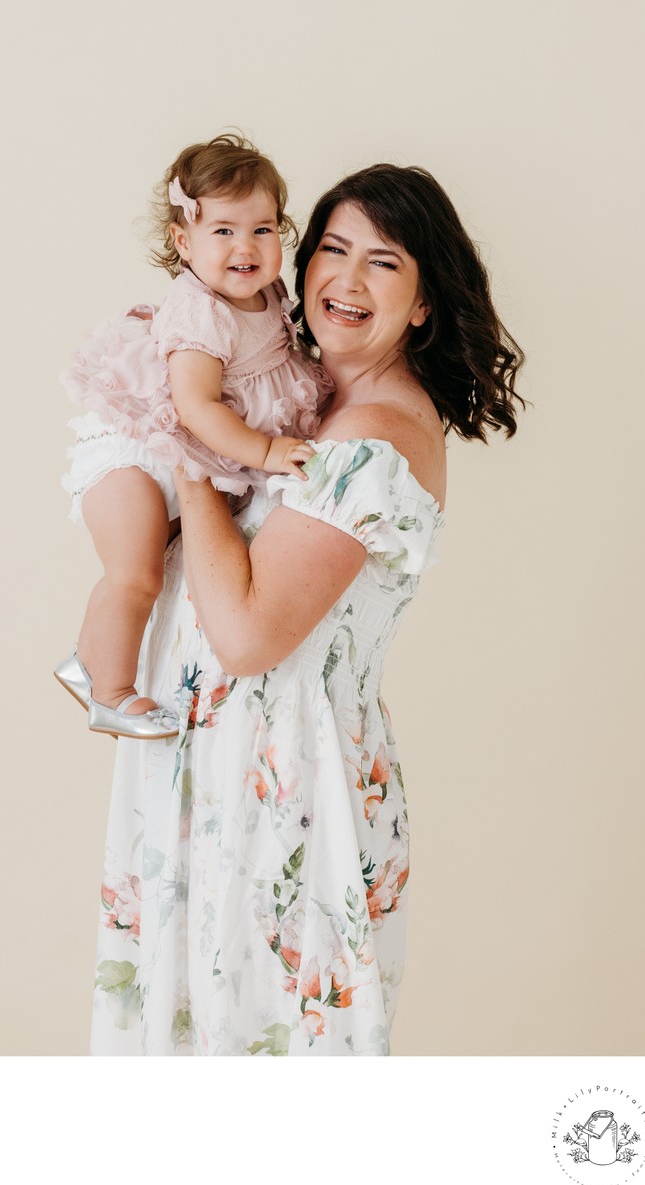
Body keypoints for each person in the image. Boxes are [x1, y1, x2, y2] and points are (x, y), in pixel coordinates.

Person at [89, 163, 525, 1055]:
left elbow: (246, 635)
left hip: (284, 787)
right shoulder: (312, 406)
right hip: (221, 769)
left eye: (384, 262)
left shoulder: (375, 437)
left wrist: (187, 450)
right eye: (332, 248)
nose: (347, 280)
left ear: (424, 305)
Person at [55, 134, 333, 739]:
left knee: (156, 562)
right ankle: (111, 693)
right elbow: (197, 405)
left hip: (183, 464)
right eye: (224, 231)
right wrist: (265, 451)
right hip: (135, 454)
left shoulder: (268, 297)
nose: (246, 247)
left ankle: (85, 660)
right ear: (184, 241)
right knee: (137, 573)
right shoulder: (198, 309)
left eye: (263, 230)